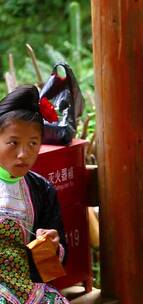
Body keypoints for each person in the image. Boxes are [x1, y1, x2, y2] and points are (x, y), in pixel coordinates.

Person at [0, 85, 68, 303]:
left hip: (27, 285)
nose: (24, 154)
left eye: (33, 144)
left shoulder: (42, 189)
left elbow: (52, 267)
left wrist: (52, 245)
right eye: (13, 143)